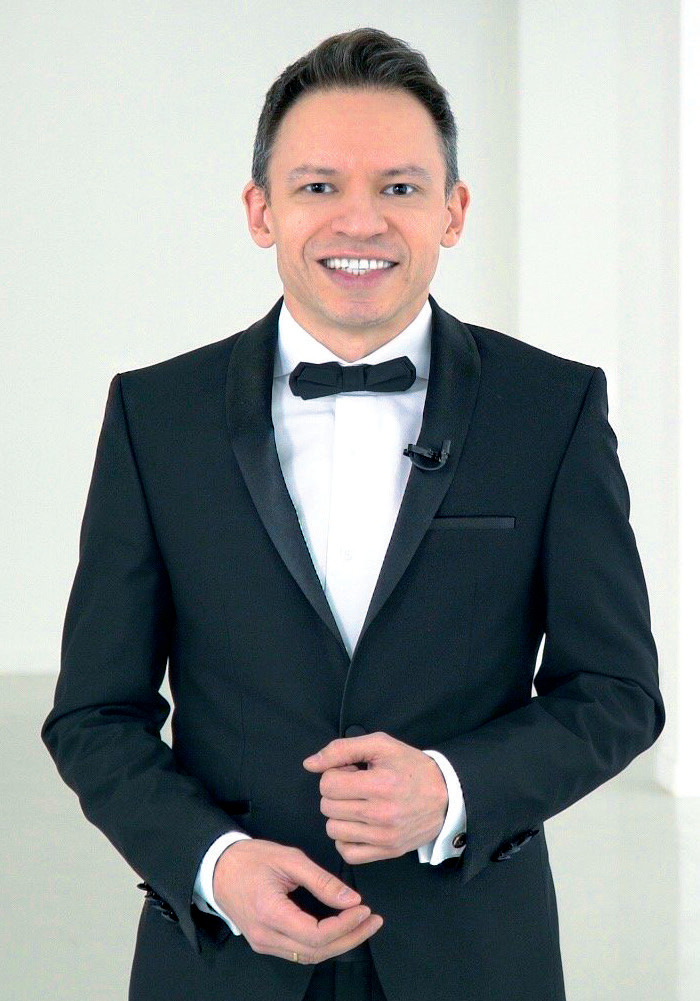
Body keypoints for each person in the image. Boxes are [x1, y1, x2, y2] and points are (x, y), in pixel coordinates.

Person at [41, 26, 665, 1001]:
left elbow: (618, 690)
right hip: (224, 961)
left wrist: (451, 789)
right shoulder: (153, 416)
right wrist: (214, 864)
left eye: (401, 186)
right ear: (262, 210)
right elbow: (94, 713)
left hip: (472, 957)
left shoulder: (553, 409)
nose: (360, 220)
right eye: (319, 185)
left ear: (453, 210)